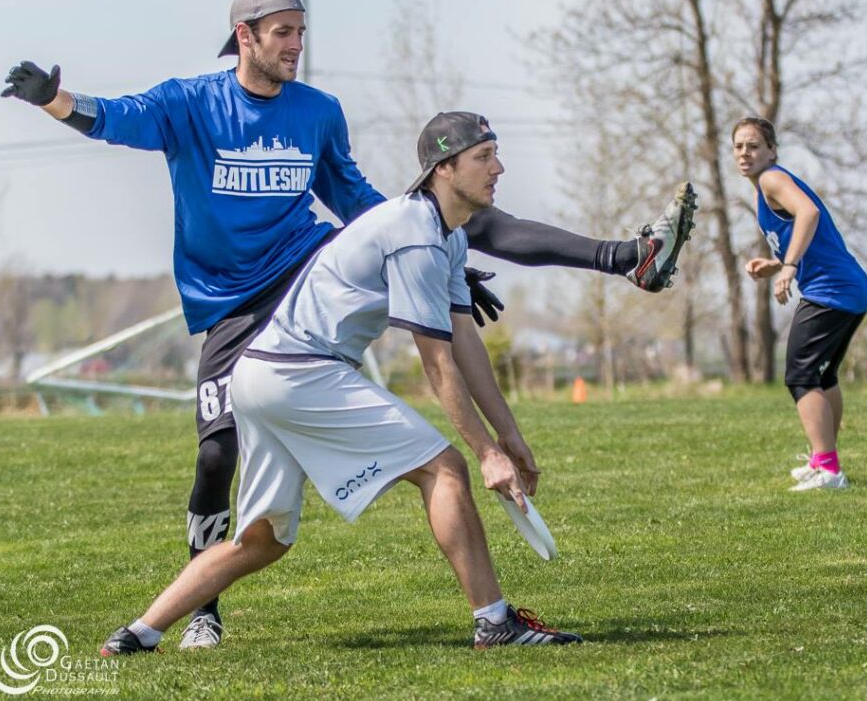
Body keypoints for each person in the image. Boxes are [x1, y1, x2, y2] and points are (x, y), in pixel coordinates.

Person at [1, 0, 696, 649]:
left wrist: (433, 245)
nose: (296, 45)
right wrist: (55, 99)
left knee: (459, 210)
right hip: (234, 306)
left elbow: (357, 198)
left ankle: (624, 256)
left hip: (303, 266)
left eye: (301, 33)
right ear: (243, 37)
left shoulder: (318, 110)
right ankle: (200, 611)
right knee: (218, 456)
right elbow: (118, 118)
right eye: (284, 34)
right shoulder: (191, 103)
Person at [99, 111, 584, 655]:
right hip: (302, 371)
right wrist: (485, 453)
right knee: (445, 469)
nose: (499, 168)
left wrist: (508, 434)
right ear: (443, 170)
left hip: (261, 375)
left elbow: (465, 343)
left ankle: (138, 633)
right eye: (484, 157)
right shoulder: (417, 236)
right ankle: (494, 623)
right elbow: (438, 365)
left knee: (263, 540)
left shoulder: (443, 235)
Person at [733, 117, 867, 491]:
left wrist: (789, 267)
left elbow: (808, 213)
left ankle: (828, 469)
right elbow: (813, 233)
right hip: (848, 289)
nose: (745, 153)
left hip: (833, 291)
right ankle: (823, 459)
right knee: (823, 377)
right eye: (739, 146)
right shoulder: (766, 186)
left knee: (800, 376)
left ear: (771, 151)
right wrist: (776, 263)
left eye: (753, 146)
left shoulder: (771, 179)